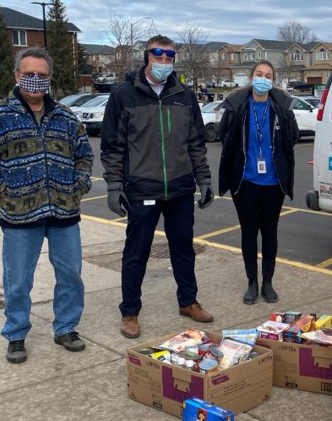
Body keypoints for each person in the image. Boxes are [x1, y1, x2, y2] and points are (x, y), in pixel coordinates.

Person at [0, 46, 94, 364]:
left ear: (49, 78)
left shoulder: (65, 117)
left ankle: (65, 328)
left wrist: (78, 185)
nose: (36, 80)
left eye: (42, 75)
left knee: (71, 276)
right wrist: (1, 192)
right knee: (18, 279)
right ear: (17, 76)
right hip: (19, 216)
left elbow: (84, 155)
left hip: (64, 212)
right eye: (29, 75)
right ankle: (16, 334)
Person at [101, 34, 215, 339]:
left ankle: (188, 302)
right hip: (142, 188)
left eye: (169, 57)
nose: (164, 61)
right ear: (146, 57)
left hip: (179, 188)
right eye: (158, 55)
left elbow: (196, 143)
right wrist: (114, 185)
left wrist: (203, 179)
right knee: (136, 252)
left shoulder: (184, 95)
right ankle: (129, 312)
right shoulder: (124, 95)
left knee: (183, 248)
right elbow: (113, 146)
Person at [217, 60, 299, 305]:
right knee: (249, 232)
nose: (263, 79)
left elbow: (292, 137)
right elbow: (225, 136)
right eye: (259, 74)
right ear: (251, 78)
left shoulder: (282, 107)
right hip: (245, 181)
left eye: (268, 75)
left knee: (270, 232)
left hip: (274, 182)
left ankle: (268, 282)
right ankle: (252, 282)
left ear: (273, 81)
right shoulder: (238, 106)